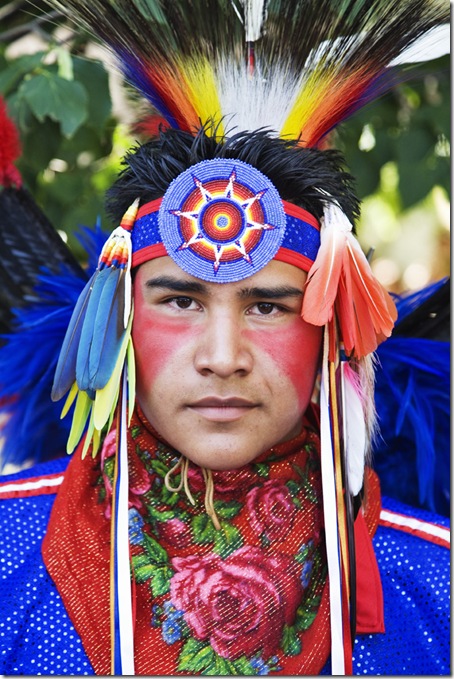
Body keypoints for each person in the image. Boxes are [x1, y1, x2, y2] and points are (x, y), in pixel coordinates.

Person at [0, 1, 450, 675]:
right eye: (180, 300)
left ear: (334, 334)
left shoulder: (435, 583)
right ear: (116, 318)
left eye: (268, 307)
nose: (222, 357)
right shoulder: (9, 555)